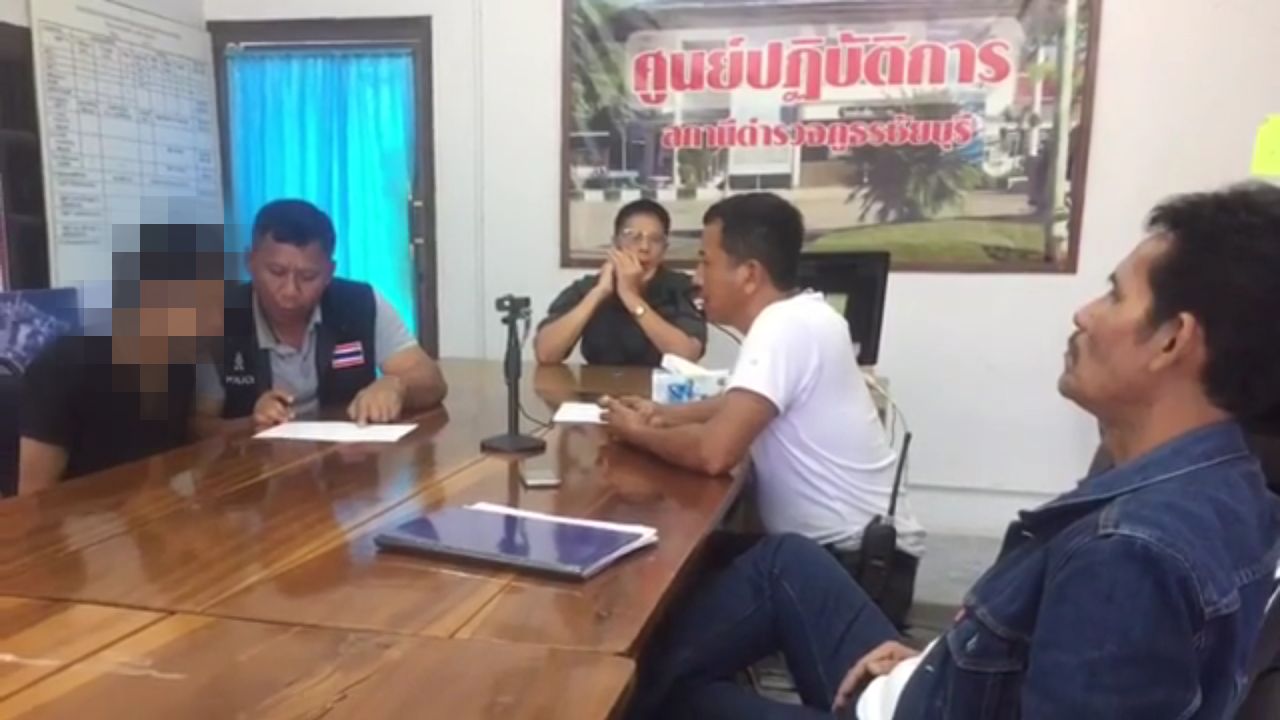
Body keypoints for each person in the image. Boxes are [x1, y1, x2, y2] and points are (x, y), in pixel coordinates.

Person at [624, 183, 1280, 720]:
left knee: (665, 703)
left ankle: (623, 690)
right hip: (934, 684)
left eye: (1114, 293)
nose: (1084, 313)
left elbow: (715, 451)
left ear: (1173, 341)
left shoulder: (1131, 555)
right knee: (781, 563)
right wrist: (937, 658)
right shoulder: (1226, 484)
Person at [601, 193, 926, 625]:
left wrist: (635, 432)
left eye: (706, 262)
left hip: (851, 569)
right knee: (680, 564)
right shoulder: (805, 314)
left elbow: (714, 454)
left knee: (663, 608)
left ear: (749, 274)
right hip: (850, 556)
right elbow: (741, 401)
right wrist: (664, 414)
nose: (697, 278)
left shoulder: (781, 327)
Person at [195, 199, 446, 430]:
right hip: (253, 462)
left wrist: (397, 386)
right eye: (276, 272)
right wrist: (250, 423)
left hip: (347, 458)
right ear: (249, 261)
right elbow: (197, 426)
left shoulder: (360, 303)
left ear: (329, 272)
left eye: (308, 276)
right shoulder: (219, 319)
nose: (290, 291)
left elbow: (432, 381)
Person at [18, 224, 226, 495]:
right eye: (203, 307)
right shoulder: (64, 368)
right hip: (89, 521)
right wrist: (124, 515)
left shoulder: (179, 365)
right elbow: (33, 504)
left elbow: (161, 474)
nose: (217, 323)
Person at [535, 199, 705, 366]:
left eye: (655, 239)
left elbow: (687, 356)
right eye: (634, 237)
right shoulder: (590, 287)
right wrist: (599, 293)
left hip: (662, 385)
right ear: (616, 243)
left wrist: (630, 296)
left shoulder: (682, 288)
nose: (644, 247)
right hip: (598, 385)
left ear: (664, 248)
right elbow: (546, 354)